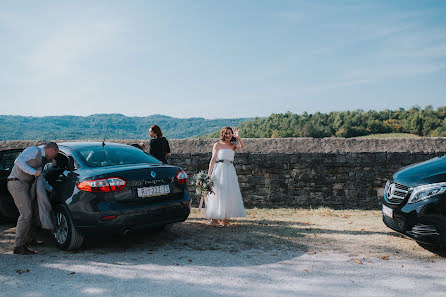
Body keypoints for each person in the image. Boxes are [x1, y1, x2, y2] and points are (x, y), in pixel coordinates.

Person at [7, 142, 59, 255]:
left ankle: (29, 240)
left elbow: (40, 178)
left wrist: (50, 189)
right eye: (56, 153)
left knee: (32, 212)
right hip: (17, 183)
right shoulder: (34, 151)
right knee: (26, 214)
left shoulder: (41, 159)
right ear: (51, 149)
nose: (54, 156)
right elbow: (18, 161)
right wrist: (33, 172)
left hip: (25, 185)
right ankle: (18, 246)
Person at [205, 127, 246, 227]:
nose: (228, 135)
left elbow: (242, 146)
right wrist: (209, 173)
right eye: (226, 133)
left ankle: (225, 219)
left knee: (228, 192)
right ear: (223, 134)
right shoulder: (217, 144)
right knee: (218, 192)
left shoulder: (233, 145)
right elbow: (213, 159)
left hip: (230, 170)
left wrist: (238, 137)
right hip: (220, 169)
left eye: (230, 133)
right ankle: (214, 219)